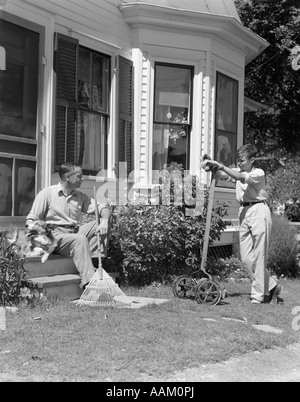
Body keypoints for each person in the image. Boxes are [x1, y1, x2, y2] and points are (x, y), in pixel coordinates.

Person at [201, 144, 283, 304]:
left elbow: (238, 177)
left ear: (252, 160)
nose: (239, 163)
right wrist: (209, 164)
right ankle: (273, 286)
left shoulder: (258, 173)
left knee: (260, 255)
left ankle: (259, 296)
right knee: (246, 258)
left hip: (259, 210)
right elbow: (220, 174)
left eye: (242, 161)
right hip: (244, 212)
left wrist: (221, 165)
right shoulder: (238, 171)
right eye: (238, 160)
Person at [26, 162, 111, 289]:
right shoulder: (47, 194)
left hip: (74, 233)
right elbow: (31, 220)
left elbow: (102, 208)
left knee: (104, 221)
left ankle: (90, 262)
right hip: (55, 236)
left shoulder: (79, 196)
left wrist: (104, 220)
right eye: (79, 176)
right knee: (79, 239)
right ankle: (89, 283)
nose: (82, 179)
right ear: (67, 177)